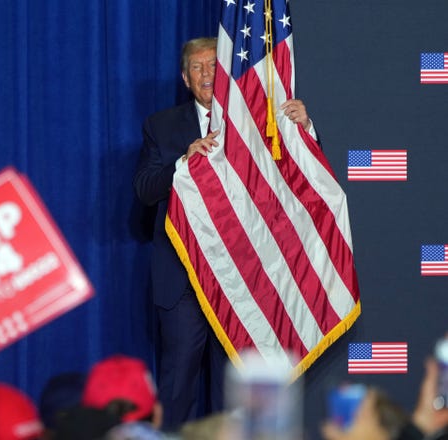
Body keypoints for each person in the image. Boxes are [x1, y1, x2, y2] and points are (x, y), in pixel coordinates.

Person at [132, 36, 315, 430]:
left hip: (241, 280)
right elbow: (145, 190)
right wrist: (184, 162)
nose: (207, 75)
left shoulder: (258, 119)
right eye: (197, 68)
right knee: (178, 382)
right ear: (185, 77)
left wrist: (302, 129)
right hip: (183, 280)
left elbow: (296, 182)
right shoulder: (161, 126)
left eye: (214, 65)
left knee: (234, 390)